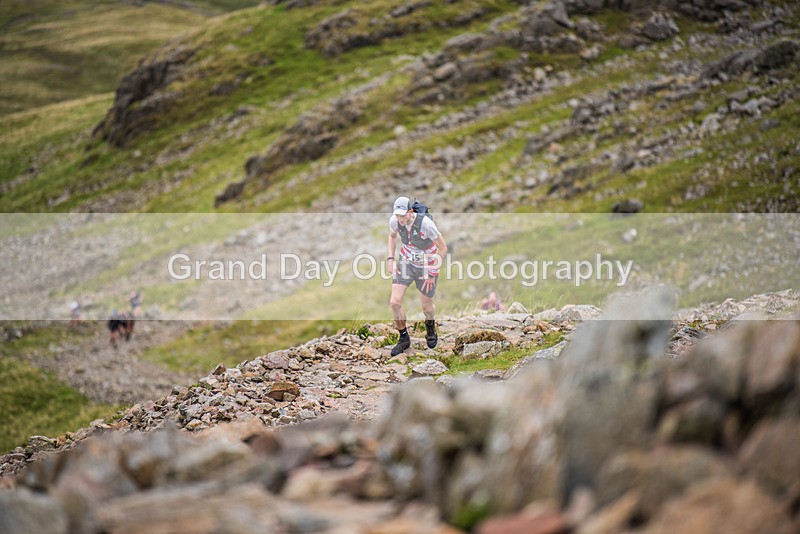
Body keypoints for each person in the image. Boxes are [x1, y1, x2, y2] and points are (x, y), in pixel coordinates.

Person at [387, 196, 448, 356]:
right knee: (394, 302)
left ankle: (430, 326)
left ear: (410, 211)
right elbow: (392, 236)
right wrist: (391, 259)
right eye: (397, 215)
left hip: (427, 266)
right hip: (406, 263)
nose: (400, 219)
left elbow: (442, 248)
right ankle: (404, 338)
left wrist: (432, 273)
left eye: (403, 215)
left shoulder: (426, 224)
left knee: (427, 307)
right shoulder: (394, 221)